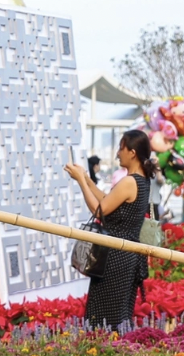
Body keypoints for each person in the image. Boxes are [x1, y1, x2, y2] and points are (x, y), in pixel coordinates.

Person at [66, 128, 155, 327]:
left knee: (103, 316)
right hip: (127, 255)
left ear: (132, 152)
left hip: (114, 256)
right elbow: (108, 201)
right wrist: (88, 180)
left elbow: (100, 211)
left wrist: (80, 181)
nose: (117, 153)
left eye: (121, 148)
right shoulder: (142, 181)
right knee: (118, 315)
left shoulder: (129, 182)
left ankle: (103, 351)